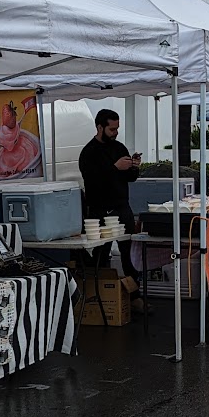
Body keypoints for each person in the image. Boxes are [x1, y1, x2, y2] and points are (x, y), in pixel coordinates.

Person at [78, 109, 141, 285]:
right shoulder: (88, 153)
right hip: (99, 209)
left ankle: (133, 295)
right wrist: (114, 168)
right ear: (100, 127)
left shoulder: (119, 147)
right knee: (101, 254)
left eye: (117, 128)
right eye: (112, 129)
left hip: (122, 207)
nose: (115, 133)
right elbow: (92, 181)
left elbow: (130, 178)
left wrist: (134, 167)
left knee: (129, 254)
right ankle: (103, 293)